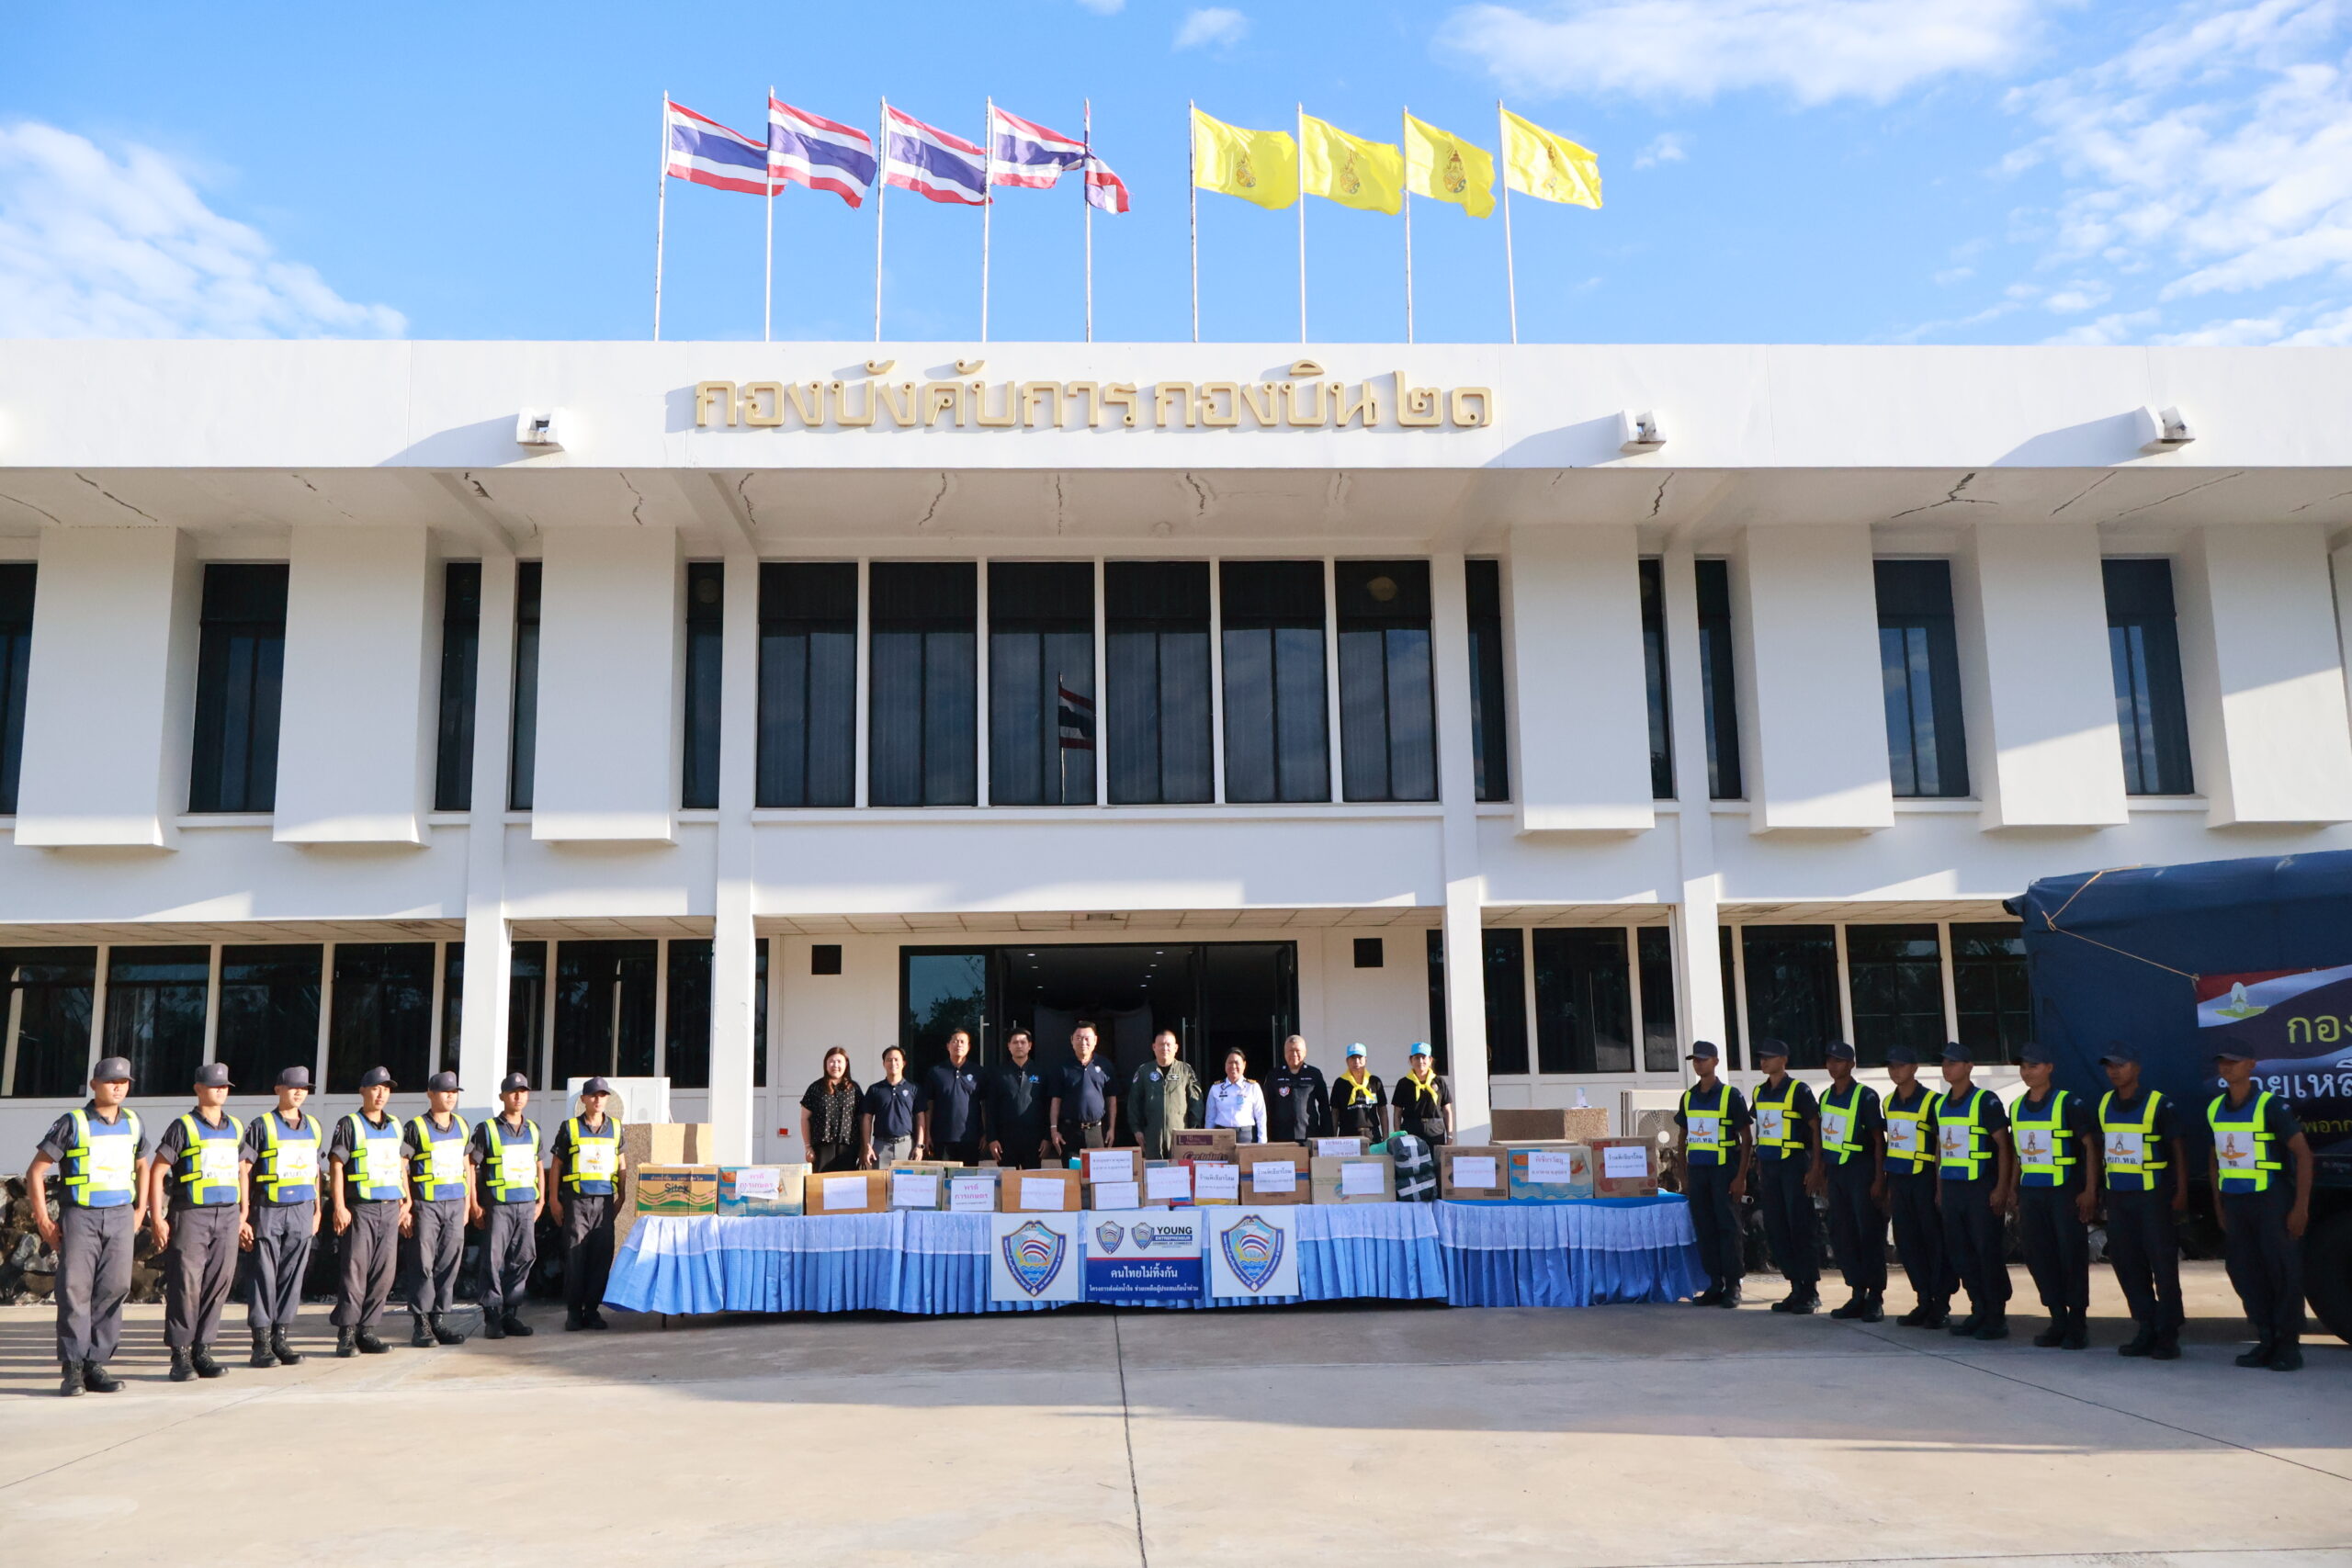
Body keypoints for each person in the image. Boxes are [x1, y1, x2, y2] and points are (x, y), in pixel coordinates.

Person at [25, 1056, 146, 1396]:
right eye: (111, 1081)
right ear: (94, 1085)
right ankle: (74, 1367)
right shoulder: (73, 1122)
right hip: (82, 1216)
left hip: (120, 1216)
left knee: (115, 1287)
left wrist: (141, 1210)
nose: (118, 1087)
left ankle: (96, 1363)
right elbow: (36, 1170)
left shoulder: (134, 1122)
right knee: (75, 1291)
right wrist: (44, 1220)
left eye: (123, 1082)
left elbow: (143, 1164)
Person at [2209, 1043, 2315, 1371]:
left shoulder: (2270, 1105)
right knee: (2244, 1271)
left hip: (2271, 1201)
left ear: (2251, 1065)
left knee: (2282, 1271)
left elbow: (2303, 1154)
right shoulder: (2215, 1107)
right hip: (2236, 1203)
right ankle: (2266, 1339)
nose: (2227, 1067)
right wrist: (2219, 1205)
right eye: (2222, 1061)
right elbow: (2214, 1158)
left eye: (2234, 1061)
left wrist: (2300, 1207)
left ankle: (2289, 1345)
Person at [144, 1062, 243, 1382]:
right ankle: (181, 1355)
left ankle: (203, 1350)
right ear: (198, 1089)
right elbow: (158, 1170)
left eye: (225, 1086)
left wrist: (244, 1212)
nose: (221, 1091)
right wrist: (157, 1217)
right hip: (191, 1214)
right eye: (215, 1086)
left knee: (218, 1283)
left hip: (227, 1214)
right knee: (186, 1285)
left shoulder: (235, 1126)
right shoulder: (183, 1126)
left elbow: (242, 1169)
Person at [2097, 1043, 2185, 1359]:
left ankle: (2168, 1333)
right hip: (2119, 1198)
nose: (2114, 1071)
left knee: (2162, 1266)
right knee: (2127, 1263)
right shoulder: (2104, 1103)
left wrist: (2181, 1191)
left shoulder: (2158, 1104)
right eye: (2109, 1066)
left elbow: (2177, 1149)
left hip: (2152, 1198)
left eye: (2120, 1065)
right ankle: (2146, 1325)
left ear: (2136, 1067)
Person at [2010, 1043, 2098, 1350]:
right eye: (2023, 1067)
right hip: (2032, 1194)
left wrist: (2089, 1190)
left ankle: (2077, 1323)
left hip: (2064, 1193)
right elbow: (2019, 1154)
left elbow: (2090, 1146)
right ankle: (2057, 1319)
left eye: (2033, 1066)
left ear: (2049, 1067)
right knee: (2039, 1256)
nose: (2027, 1072)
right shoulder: (2016, 1107)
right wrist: (2013, 1191)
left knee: (2070, 1256)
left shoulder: (2068, 1103)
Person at [238, 1066, 323, 1369]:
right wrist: (244, 1213)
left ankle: (280, 1338)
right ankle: (261, 1343)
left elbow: (315, 1171)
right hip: (269, 1209)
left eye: (304, 1088)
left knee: (293, 1276)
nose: (299, 1092)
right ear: (278, 1090)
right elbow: (244, 1169)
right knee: (264, 1275)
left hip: (302, 1209)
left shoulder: (313, 1126)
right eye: (293, 1087)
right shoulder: (262, 1125)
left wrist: (318, 1210)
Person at [325, 1065, 410, 1358]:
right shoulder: (350, 1124)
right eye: (376, 1088)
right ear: (363, 1091)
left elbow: (401, 1165)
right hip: (361, 1208)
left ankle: (368, 1330)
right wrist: (339, 1206)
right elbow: (336, 1165)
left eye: (386, 1089)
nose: (381, 1094)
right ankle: (347, 1333)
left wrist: (407, 1200)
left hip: (390, 1207)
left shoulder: (396, 1125)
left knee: (384, 1273)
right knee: (355, 1271)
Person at [1936, 1042, 2014, 1341]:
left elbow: (2004, 1146)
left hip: (1981, 1189)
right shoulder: (1941, 1104)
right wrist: (1939, 1189)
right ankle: (1978, 1308)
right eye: (1944, 1063)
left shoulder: (1985, 1101)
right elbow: (1940, 1149)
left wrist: (2001, 1187)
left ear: (1969, 1067)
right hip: (1953, 1190)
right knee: (1961, 1253)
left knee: (1986, 1252)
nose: (1947, 1068)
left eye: (1953, 1063)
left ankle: (1996, 1315)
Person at [1810, 1041, 1886, 1321]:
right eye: (1830, 1060)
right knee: (1843, 1233)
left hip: (1861, 1171)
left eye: (1839, 1061)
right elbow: (1824, 1138)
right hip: (1837, 1174)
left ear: (1851, 1064)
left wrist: (1879, 1178)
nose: (1833, 1065)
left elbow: (1878, 1140)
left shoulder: (1865, 1096)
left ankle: (1875, 1296)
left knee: (1868, 1233)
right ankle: (1856, 1292)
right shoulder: (1826, 1096)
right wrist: (1821, 1172)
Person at [1881, 1045, 1954, 1327]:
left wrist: (1939, 1187)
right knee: (1907, 1242)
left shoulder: (1933, 1102)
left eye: (1900, 1065)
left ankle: (1941, 1303)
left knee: (1933, 1242)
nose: (1895, 1071)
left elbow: (1941, 1146)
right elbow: (1892, 1143)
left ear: (1914, 1068)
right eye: (1891, 1066)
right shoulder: (1888, 1101)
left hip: (1924, 1179)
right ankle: (1923, 1299)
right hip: (1899, 1181)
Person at [399, 1070, 473, 1348]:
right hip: (426, 1206)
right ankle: (422, 1324)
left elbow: (467, 1165)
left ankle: (439, 1319)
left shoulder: (462, 1125)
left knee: (449, 1264)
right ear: (431, 1094)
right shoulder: (416, 1127)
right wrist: (406, 1204)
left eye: (454, 1092)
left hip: (455, 1204)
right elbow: (402, 1166)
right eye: (445, 1092)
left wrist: (468, 1203)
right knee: (423, 1264)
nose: (451, 1097)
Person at [1674, 1041, 1751, 1307]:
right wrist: (1683, 1177)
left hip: (1724, 1172)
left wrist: (1741, 1177)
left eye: (1703, 1059)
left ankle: (1733, 1284)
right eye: (1695, 1060)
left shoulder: (1731, 1095)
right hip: (1698, 1173)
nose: (1699, 1064)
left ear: (1716, 1062)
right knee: (1705, 1228)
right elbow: (1682, 1138)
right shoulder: (1688, 1097)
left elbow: (1746, 1138)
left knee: (1728, 1227)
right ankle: (1714, 1283)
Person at [1747, 1039, 1821, 1314]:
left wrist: (1815, 1167)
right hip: (1770, 1168)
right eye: (1762, 1057)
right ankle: (1794, 1287)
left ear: (1784, 1060)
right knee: (1776, 1228)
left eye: (1769, 1056)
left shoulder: (1798, 1090)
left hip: (1793, 1166)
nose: (1764, 1061)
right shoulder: (1760, 1091)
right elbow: (1762, 1129)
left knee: (1800, 1226)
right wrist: (1758, 1160)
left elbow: (1815, 1128)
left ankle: (1810, 1290)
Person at [470, 1072, 544, 1339]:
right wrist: (474, 1203)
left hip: (526, 1205)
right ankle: (492, 1316)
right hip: (499, 1206)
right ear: (502, 1096)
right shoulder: (487, 1129)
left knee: (523, 1258)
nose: (518, 1096)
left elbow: (539, 1164)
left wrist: (541, 1200)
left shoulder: (533, 1129)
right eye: (513, 1092)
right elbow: (472, 1166)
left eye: (523, 1092)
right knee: (492, 1260)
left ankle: (510, 1314)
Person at [549, 1077, 625, 1333]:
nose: (598, 1099)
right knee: (575, 1256)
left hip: (604, 1202)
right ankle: (573, 1312)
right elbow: (556, 1165)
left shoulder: (616, 1128)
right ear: (583, 1099)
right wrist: (554, 1200)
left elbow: (622, 1164)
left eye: (602, 1095)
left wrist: (623, 1196)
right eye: (593, 1095)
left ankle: (592, 1310)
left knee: (601, 1257)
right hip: (577, 1202)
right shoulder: (570, 1127)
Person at [1129, 1030, 1204, 1158]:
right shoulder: (1144, 1071)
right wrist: (1137, 1130)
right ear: (1154, 1047)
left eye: (1168, 1045)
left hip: (1180, 1137)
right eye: (1161, 1044)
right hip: (1152, 1136)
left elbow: (1196, 1101)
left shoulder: (1185, 1070)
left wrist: (1194, 1129)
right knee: (1154, 1169)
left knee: (1180, 1169)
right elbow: (1134, 1103)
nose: (1165, 1048)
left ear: (1176, 1048)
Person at [1048, 1022, 1118, 1155]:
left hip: (1097, 1131)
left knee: (1097, 1168)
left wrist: (1111, 1128)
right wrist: (1054, 1129)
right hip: (1070, 1132)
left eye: (1087, 1038)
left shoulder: (1105, 1065)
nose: (1083, 1042)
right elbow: (1056, 1100)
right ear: (1072, 1040)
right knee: (1072, 1168)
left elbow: (1112, 1099)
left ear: (1095, 1040)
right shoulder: (1062, 1067)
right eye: (1079, 1038)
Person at [987, 1030, 1052, 1169]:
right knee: (1008, 1181)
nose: (1019, 1045)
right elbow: (991, 1109)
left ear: (1030, 1045)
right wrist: (992, 1139)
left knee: (1032, 1181)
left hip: (1034, 1140)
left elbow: (1048, 1107)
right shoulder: (998, 1074)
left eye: (1023, 1042)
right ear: (1009, 1046)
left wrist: (1047, 1138)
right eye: (1015, 1042)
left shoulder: (1041, 1072)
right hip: (1005, 1141)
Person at [919, 1031, 986, 1166]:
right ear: (948, 1046)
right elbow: (929, 1105)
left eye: (962, 1042)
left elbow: (984, 1104)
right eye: (955, 1041)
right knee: (944, 1177)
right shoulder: (936, 1072)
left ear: (968, 1047)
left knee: (968, 1177)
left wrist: (986, 1133)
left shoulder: (978, 1072)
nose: (958, 1045)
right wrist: (927, 1134)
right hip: (942, 1137)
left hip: (971, 1138)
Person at [798, 1048, 862, 1172]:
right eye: (832, 1061)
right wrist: (808, 1147)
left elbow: (862, 1118)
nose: (835, 1065)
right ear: (826, 1064)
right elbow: (804, 1118)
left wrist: (864, 1147)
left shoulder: (854, 1089)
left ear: (846, 1064)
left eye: (839, 1061)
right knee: (821, 1182)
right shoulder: (815, 1088)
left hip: (848, 1148)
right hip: (822, 1147)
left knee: (847, 1182)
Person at [1266, 1034, 1330, 1144]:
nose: (1294, 1054)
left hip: (1309, 1136)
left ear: (1305, 1052)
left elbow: (1324, 1107)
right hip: (1280, 1137)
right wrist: (1267, 1137)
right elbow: (1267, 1107)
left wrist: (1327, 1136)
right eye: (1290, 1051)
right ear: (1285, 1053)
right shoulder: (1274, 1075)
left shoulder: (1314, 1074)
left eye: (1297, 1050)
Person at [862, 1046, 920, 1166]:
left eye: (896, 1059)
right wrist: (867, 1146)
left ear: (903, 1063)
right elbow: (867, 1118)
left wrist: (919, 1145)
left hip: (906, 1145)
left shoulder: (913, 1088)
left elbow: (921, 1117)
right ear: (883, 1064)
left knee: (907, 1178)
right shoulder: (875, 1089)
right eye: (889, 1060)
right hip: (881, 1146)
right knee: (880, 1178)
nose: (893, 1063)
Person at [1389, 1044, 1452, 1146]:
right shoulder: (1403, 1083)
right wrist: (1398, 1136)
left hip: (1435, 1132)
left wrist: (1450, 1135)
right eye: (1417, 1058)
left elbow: (1447, 1110)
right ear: (1411, 1060)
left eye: (1424, 1057)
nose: (1420, 1061)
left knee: (1436, 1157)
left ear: (1430, 1060)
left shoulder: (1439, 1081)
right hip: (1410, 1131)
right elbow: (1397, 1113)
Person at [1205, 1050, 1269, 1143]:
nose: (1233, 1066)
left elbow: (1261, 1116)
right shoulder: (1216, 1088)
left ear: (1244, 1064)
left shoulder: (1253, 1087)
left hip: (1245, 1136)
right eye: (1230, 1062)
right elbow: (1210, 1117)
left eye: (1237, 1062)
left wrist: (1262, 1141)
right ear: (1225, 1065)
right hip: (1221, 1136)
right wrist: (1207, 1141)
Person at [1331, 1044, 1387, 1140]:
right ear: (1347, 1061)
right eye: (1353, 1058)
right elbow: (1335, 1112)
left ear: (1366, 1060)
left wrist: (1385, 1137)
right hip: (1347, 1136)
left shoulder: (1374, 1081)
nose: (1357, 1061)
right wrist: (1333, 1138)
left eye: (1360, 1058)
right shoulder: (1340, 1083)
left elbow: (1382, 1110)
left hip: (1372, 1135)